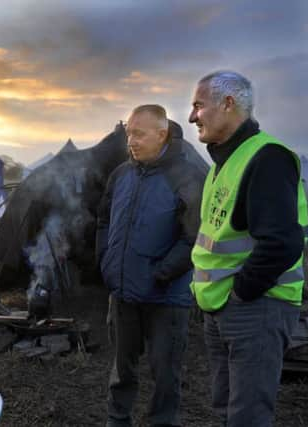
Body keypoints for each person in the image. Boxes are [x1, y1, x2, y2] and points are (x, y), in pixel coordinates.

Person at [188, 71, 308, 426]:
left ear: (228, 104)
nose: (193, 115)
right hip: (224, 307)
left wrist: (241, 294)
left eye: (198, 105)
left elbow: (282, 243)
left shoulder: (268, 157)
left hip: (255, 308)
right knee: (226, 409)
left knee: (247, 417)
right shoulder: (222, 164)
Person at [97, 105, 205, 427]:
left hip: (167, 298)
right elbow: (103, 219)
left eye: (139, 134)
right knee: (121, 370)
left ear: (162, 134)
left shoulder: (186, 177)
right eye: (129, 133)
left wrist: (160, 273)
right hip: (123, 292)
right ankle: (117, 422)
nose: (131, 140)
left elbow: (195, 237)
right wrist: (105, 261)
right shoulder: (121, 174)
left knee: (166, 375)